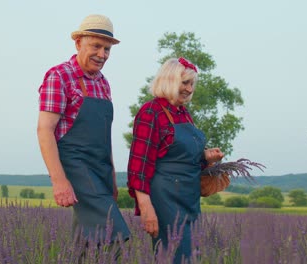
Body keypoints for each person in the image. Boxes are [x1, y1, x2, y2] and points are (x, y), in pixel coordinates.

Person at [37, 14, 130, 247]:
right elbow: (44, 130)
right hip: (75, 167)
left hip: (100, 169)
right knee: (114, 233)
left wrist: (111, 177)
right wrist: (59, 181)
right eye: (96, 46)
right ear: (78, 43)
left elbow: (104, 136)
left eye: (107, 49)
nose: (102, 54)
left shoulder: (102, 82)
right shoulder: (59, 76)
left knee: (88, 241)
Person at [127, 57, 226, 263]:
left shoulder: (183, 114)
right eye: (185, 83)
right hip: (166, 200)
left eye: (192, 84)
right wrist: (147, 209)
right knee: (174, 256)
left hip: (190, 199)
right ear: (169, 80)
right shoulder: (150, 112)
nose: (190, 89)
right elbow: (138, 167)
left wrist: (206, 158)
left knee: (190, 257)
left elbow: (186, 161)